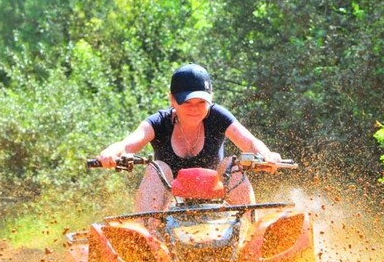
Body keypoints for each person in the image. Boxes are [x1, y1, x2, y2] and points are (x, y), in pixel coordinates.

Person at [97, 63, 281, 212]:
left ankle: (249, 234)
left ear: (211, 98)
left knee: (231, 165)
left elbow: (249, 142)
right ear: (172, 100)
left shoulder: (218, 116)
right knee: (157, 167)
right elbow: (127, 144)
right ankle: (149, 240)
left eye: (201, 102)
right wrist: (110, 153)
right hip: (169, 201)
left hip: (216, 198)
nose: (194, 108)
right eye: (186, 102)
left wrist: (267, 155)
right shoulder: (159, 122)